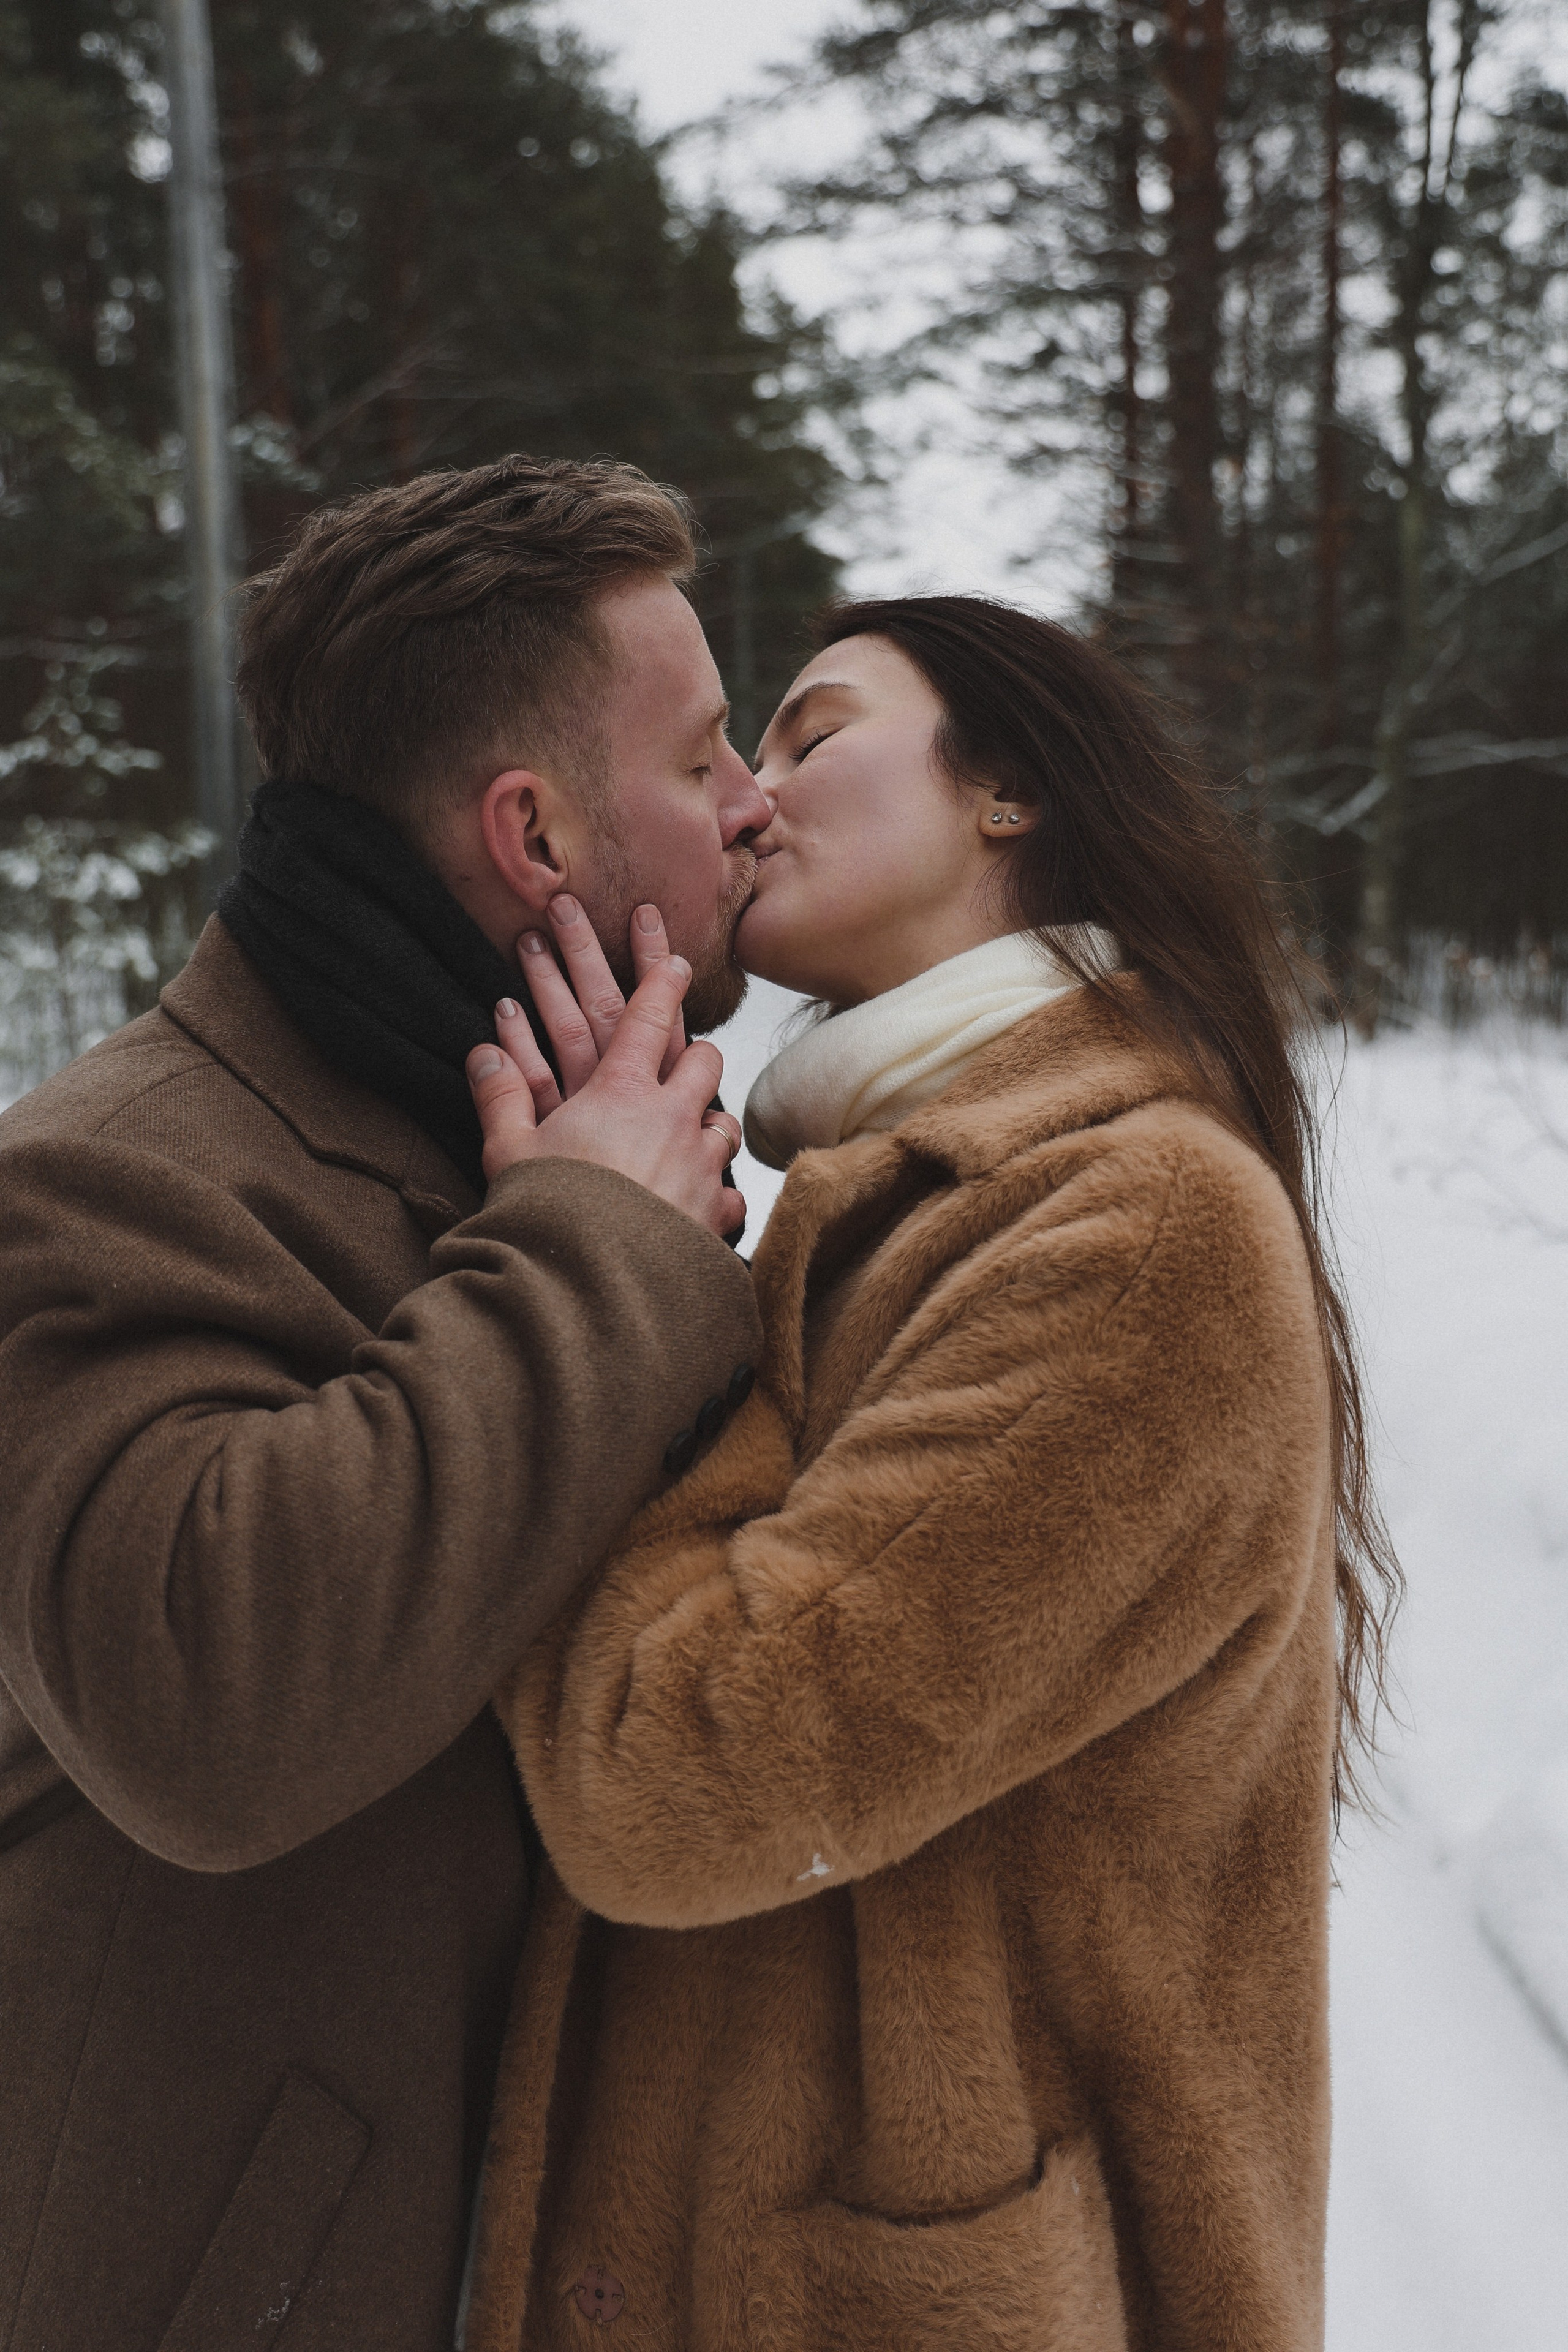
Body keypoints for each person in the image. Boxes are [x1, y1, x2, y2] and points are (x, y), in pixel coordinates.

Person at [460, 598, 1399, 2352]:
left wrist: (608, 1285)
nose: (750, 800)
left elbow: (674, 1774)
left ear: (1009, 789)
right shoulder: (908, 1195)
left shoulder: (1141, 1231)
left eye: (812, 734)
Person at [0, 456, 769, 2350]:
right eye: (703, 757)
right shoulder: (107, 1179)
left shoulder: (589, 1126)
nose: (756, 802)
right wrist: (597, 1252)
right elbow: (202, 1702)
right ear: (535, 835)